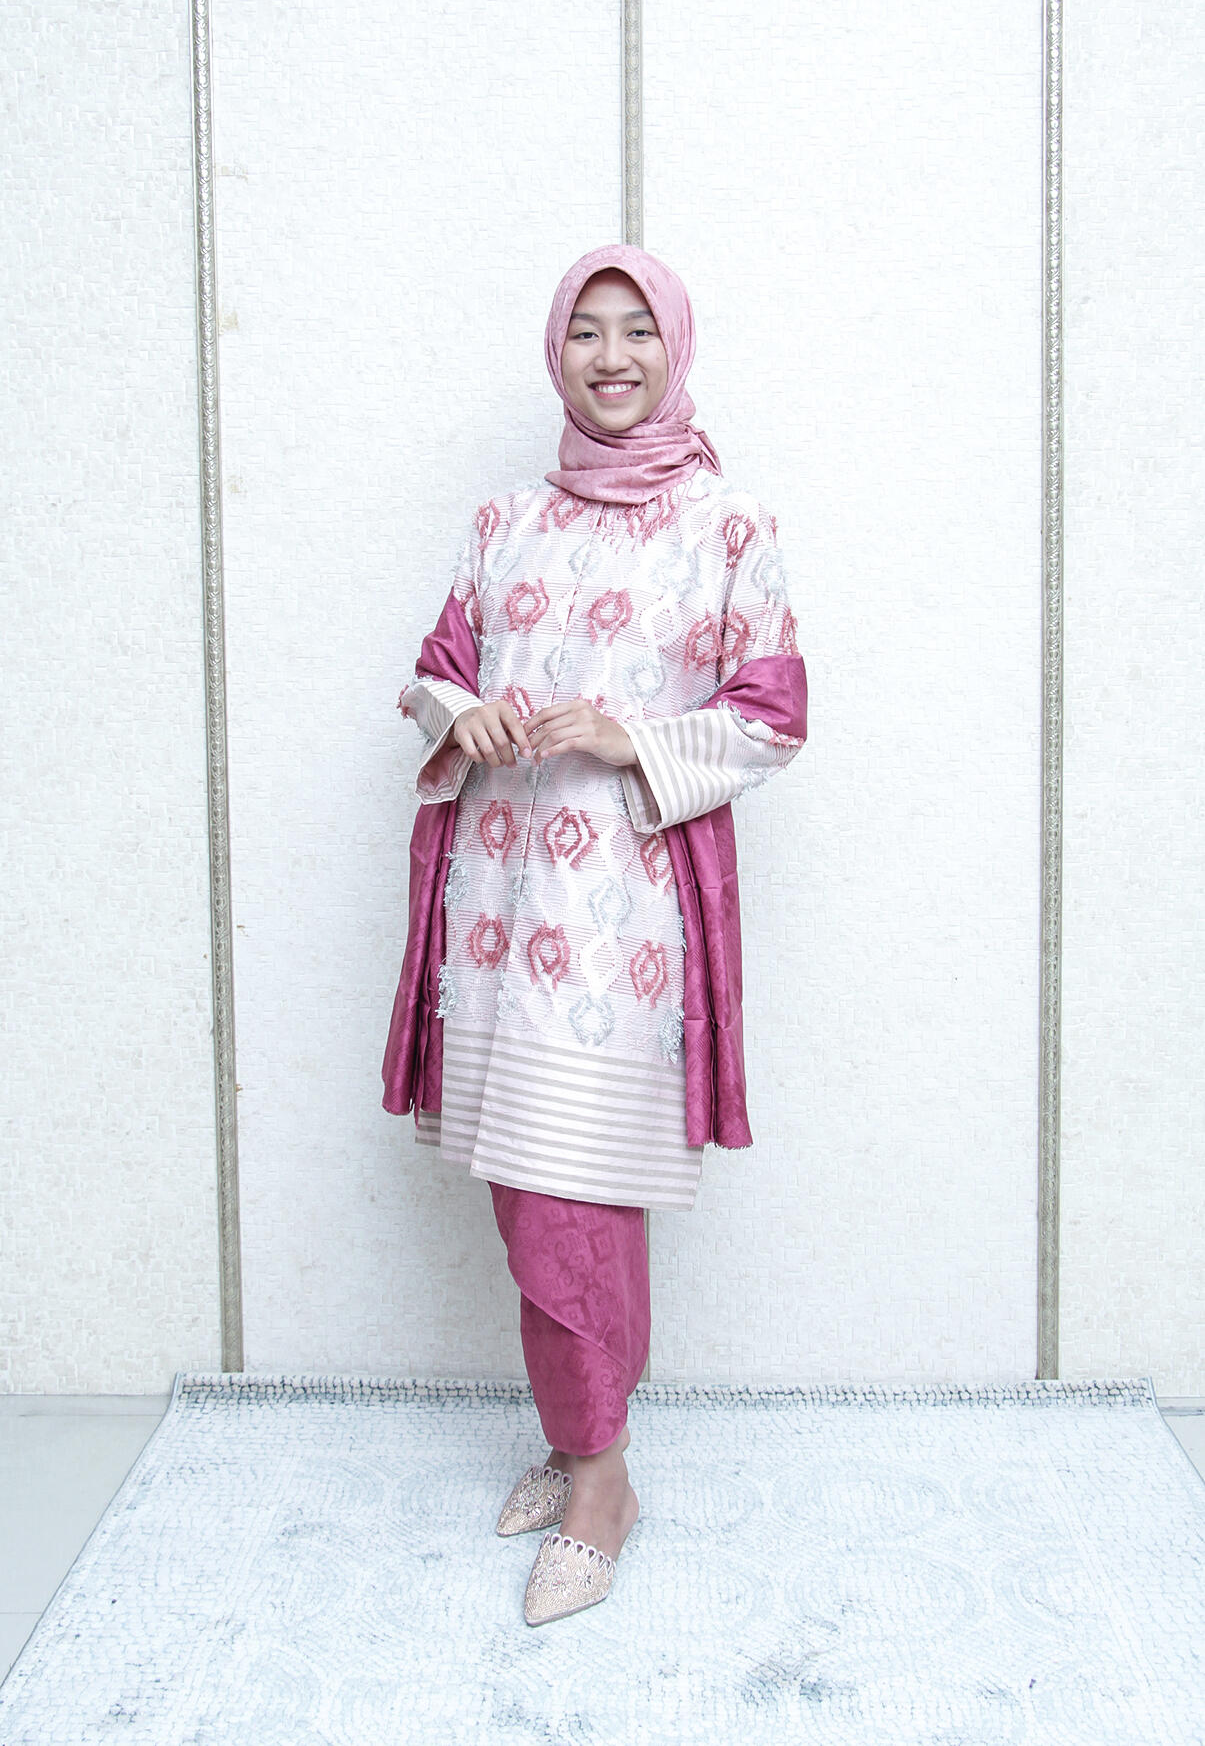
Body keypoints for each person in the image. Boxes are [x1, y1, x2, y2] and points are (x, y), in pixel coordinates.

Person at [382, 244, 807, 1625]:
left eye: (636, 331)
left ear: (675, 348)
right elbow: (432, 674)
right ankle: (581, 1445)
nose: (610, 357)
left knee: (575, 1199)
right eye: (585, 330)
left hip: (623, 930)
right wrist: (468, 714)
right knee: (526, 1193)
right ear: (554, 351)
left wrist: (629, 737)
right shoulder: (503, 520)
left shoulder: (728, 526)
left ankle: (603, 1481)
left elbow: (772, 720)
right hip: (496, 919)